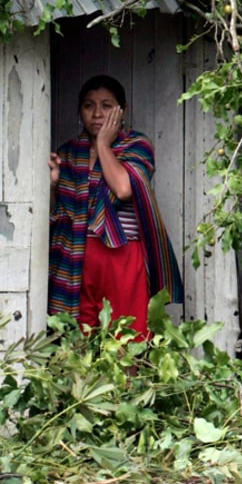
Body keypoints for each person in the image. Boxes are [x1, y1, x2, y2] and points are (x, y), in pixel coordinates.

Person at [48, 74, 183, 338]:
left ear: (122, 111)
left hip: (121, 255)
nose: (97, 113)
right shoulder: (68, 153)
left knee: (124, 337)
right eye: (89, 105)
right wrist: (53, 185)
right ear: (80, 111)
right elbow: (58, 214)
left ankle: (126, 382)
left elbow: (123, 189)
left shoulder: (136, 145)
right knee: (82, 337)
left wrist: (102, 144)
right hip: (76, 260)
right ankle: (85, 381)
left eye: (106, 105)